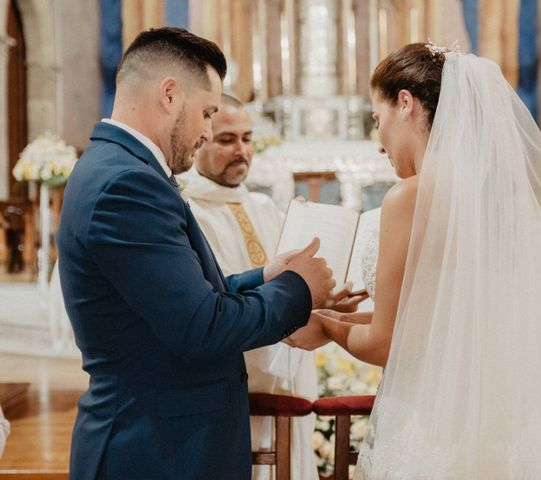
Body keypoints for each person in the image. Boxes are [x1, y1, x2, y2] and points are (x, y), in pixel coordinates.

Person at [287, 43, 541, 478]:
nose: (378, 143)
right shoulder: (497, 193)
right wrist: (337, 317)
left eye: (377, 120)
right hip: (509, 404)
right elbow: (437, 316)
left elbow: (389, 344)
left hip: (439, 414)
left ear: (405, 103)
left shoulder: (409, 197)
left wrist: (325, 327)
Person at [56, 27, 335, 480]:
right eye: (206, 112)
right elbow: (199, 327)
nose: (207, 131)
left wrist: (264, 276)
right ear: (169, 94)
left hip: (163, 439)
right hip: (155, 449)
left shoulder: (119, 167)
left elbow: (178, 300)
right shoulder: (127, 184)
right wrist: (298, 290)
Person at [180, 93, 362, 480]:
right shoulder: (187, 211)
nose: (241, 150)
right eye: (227, 139)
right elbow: (213, 301)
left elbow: (294, 287)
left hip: (289, 371)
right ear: (201, 138)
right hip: (238, 374)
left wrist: (328, 300)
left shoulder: (264, 208)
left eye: (247, 139)